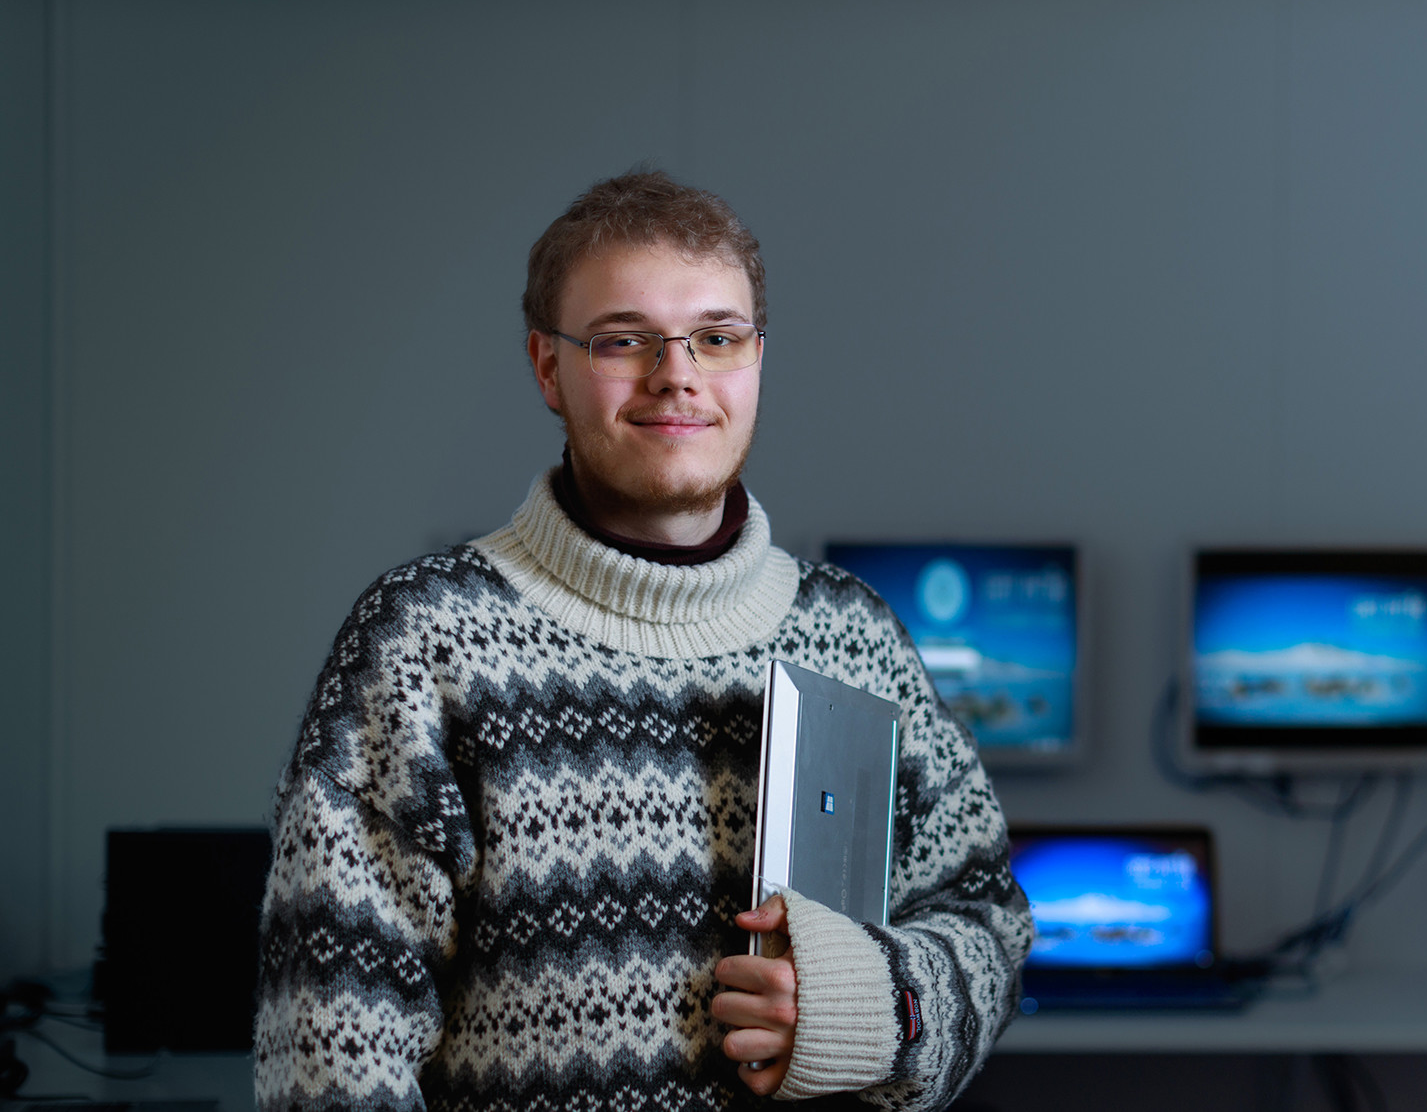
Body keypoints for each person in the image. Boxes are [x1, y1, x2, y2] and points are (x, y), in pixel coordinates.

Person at [254, 170, 1033, 1112]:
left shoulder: (851, 633)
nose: (679, 375)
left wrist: (885, 1005)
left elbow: (986, 915)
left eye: (717, 337)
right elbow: (329, 1053)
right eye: (625, 340)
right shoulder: (427, 642)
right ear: (548, 367)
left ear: (756, 358)